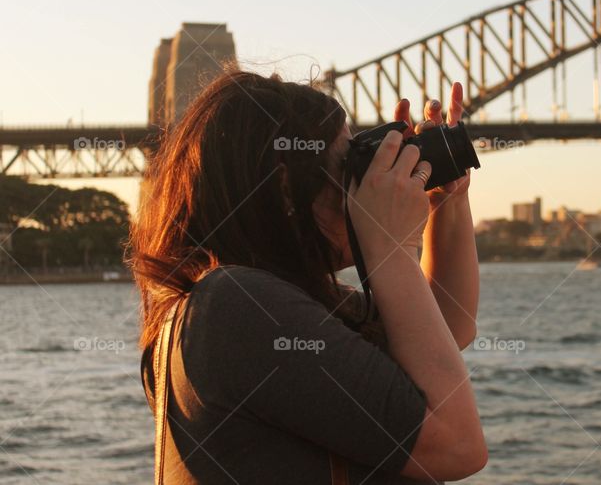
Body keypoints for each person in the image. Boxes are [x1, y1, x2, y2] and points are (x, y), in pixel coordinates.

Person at [130, 71, 487, 483]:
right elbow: (458, 447)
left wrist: (445, 200)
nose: (365, 183)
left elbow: (447, 327)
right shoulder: (239, 306)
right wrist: (390, 246)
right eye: (349, 163)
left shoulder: (272, 301)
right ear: (285, 188)